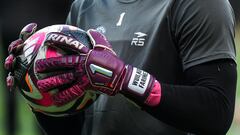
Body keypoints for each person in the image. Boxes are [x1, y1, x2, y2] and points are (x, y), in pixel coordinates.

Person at [4, 0, 237, 134]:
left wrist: (126, 79)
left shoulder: (200, 4)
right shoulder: (85, 5)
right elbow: (75, 129)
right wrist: (37, 87)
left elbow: (216, 113)